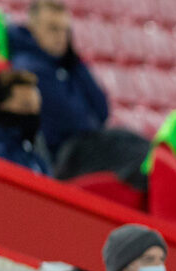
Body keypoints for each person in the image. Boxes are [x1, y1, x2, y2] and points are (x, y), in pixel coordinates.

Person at [6, 0, 108, 158]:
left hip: (79, 150)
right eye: (53, 29)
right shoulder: (30, 70)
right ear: (33, 28)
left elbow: (103, 109)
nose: (61, 37)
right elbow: (75, 123)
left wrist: (74, 60)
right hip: (63, 158)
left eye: (65, 31)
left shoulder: (64, 63)